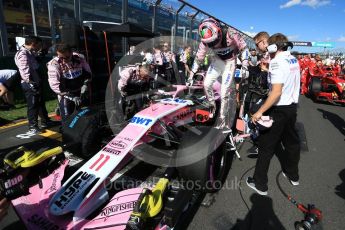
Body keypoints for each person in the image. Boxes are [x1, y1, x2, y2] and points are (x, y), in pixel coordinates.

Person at [246, 33, 301, 195]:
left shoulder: (276, 62)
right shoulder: (293, 59)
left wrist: (259, 112)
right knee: (292, 143)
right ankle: (293, 175)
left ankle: (260, 184)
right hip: (291, 109)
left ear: (273, 47)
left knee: (266, 147)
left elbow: (276, 93)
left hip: (278, 110)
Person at [190, 18, 247, 130]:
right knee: (206, 84)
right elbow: (199, 57)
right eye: (209, 43)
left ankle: (222, 118)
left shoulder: (231, 32)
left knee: (224, 91)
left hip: (230, 62)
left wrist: (245, 65)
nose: (212, 44)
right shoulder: (204, 42)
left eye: (213, 41)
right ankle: (212, 105)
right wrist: (191, 74)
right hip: (218, 60)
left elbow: (244, 48)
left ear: (219, 31)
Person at [15, 35, 51, 134]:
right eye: (39, 45)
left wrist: (42, 53)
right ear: (33, 44)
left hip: (36, 81)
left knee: (40, 103)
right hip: (29, 83)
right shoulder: (23, 53)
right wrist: (30, 82)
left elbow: (36, 63)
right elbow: (24, 69)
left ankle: (45, 121)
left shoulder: (30, 52)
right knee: (33, 105)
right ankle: (32, 126)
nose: (40, 47)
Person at [47, 44, 92, 122]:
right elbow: (54, 85)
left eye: (67, 57)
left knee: (81, 115)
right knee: (67, 118)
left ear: (71, 53)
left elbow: (88, 73)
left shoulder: (79, 58)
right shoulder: (54, 64)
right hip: (65, 94)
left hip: (80, 90)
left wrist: (85, 84)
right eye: (61, 57)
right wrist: (71, 97)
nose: (64, 60)